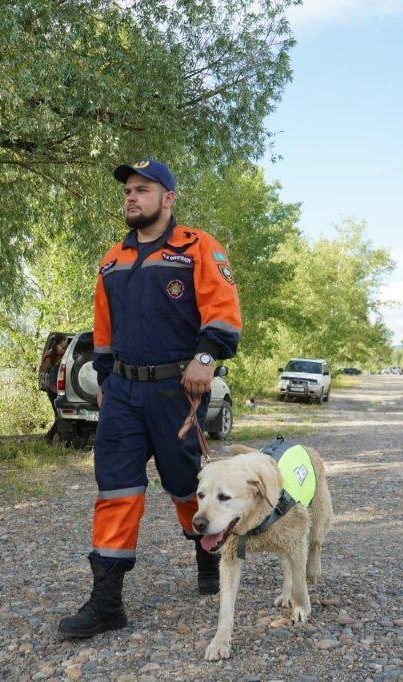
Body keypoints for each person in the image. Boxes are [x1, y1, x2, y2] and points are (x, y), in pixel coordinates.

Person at [58, 159, 242, 638]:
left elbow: (223, 313)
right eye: (128, 192)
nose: (132, 198)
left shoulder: (197, 248)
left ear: (168, 198)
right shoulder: (113, 259)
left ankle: (209, 556)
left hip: (175, 390)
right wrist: (104, 382)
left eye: (142, 190)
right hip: (121, 391)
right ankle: (106, 602)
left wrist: (206, 357)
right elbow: (103, 328)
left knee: (185, 485)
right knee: (116, 488)